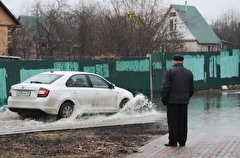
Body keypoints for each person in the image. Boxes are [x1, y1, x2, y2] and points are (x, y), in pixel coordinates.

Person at [161, 54, 194, 147]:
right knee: (183, 122)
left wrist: (164, 99)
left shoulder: (170, 72)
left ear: (174, 61)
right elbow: (192, 89)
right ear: (182, 61)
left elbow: (165, 87)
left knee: (173, 122)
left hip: (172, 102)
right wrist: (186, 97)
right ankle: (182, 141)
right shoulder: (189, 72)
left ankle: (173, 141)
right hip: (184, 102)